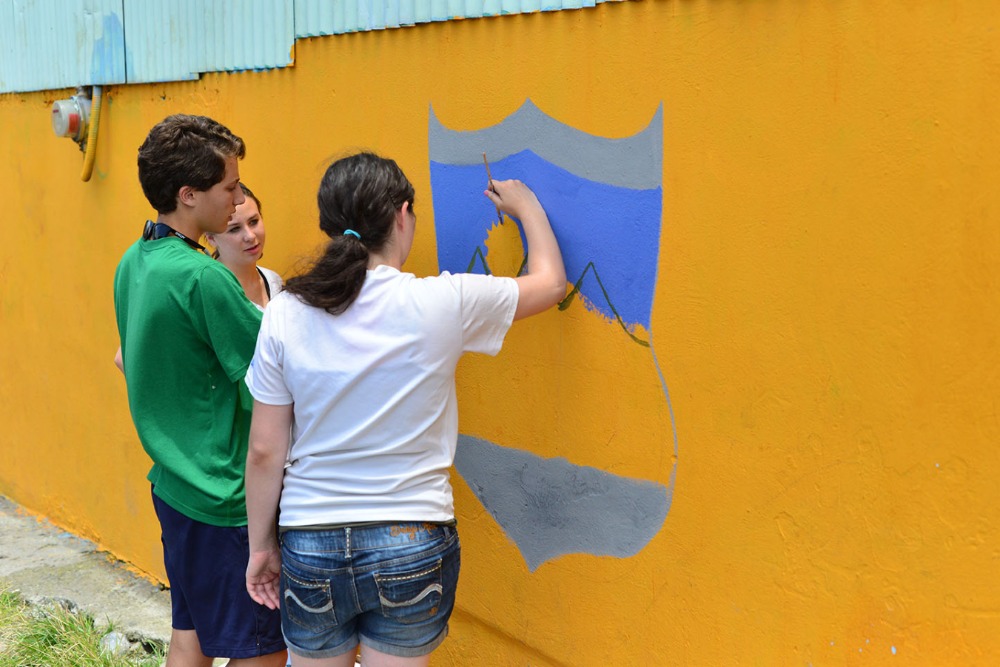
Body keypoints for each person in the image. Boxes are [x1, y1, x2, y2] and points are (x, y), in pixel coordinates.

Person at [243, 152, 566, 666]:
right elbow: (550, 284)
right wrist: (526, 207)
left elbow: (264, 449)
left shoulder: (285, 312)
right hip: (412, 538)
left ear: (330, 227)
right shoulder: (443, 301)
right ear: (402, 215)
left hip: (311, 539)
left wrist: (261, 547)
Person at [113, 114, 286, 667]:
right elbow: (280, 361)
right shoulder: (203, 277)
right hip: (224, 499)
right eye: (229, 188)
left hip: (174, 485)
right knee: (263, 651)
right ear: (189, 195)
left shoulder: (135, 261)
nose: (236, 200)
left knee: (190, 637)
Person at [204, 183, 283, 310]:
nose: (250, 236)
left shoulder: (274, 281)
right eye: (234, 229)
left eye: (253, 222)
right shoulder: (207, 294)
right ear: (211, 238)